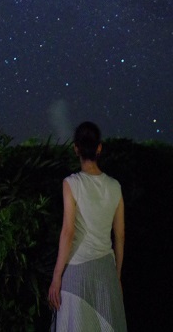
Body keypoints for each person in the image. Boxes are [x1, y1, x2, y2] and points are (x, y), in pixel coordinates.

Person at [48, 121, 127, 331]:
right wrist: (117, 275)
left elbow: (68, 231)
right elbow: (120, 235)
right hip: (105, 275)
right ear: (99, 148)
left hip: (76, 274)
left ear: (76, 148)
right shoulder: (115, 186)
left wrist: (56, 277)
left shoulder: (71, 184)